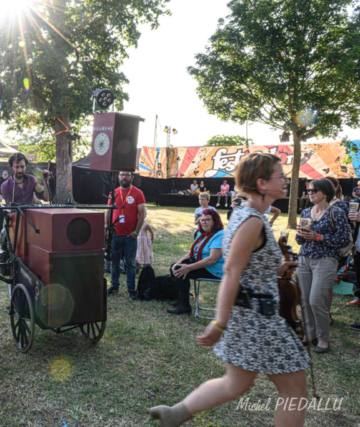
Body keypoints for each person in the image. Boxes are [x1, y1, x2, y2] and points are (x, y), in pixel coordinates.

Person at [149, 153, 309, 427]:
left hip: (250, 315)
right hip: (260, 319)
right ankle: (175, 413)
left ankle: (174, 414)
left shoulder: (251, 214)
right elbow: (232, 270)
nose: (285, 180)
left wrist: (277, 269)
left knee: (235, 384)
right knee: (295, 392)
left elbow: (247, 264)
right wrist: (219, 323)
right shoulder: (252, 221)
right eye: (280, 176)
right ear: (261, 182)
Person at [295, 178, 350, 354]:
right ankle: (309, 334)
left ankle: (323, 338)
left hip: (326, 260)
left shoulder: (337, 212)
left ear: (325, 193)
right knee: (304, 300)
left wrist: (318, 237)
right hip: (304, 259)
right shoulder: (305, 212)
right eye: (309, 190)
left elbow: (342, 239)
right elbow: (299, 240)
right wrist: (300, 234)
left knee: (316, 299)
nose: (309, 193)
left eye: (314, 190)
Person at [167, 209, 225, 315]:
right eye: (202, 220)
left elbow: (212, 259)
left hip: (215, 269)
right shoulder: (202, 233)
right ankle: (181, 298)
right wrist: (178, 262)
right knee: (175, 267)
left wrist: (189, 267)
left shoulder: (220, 234)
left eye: (207, 220)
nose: (204, 222)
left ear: (215, 221)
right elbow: (192, 252)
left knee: (180, 271)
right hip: (204, 264)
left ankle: (184, 306)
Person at [107, 171, 146, 300]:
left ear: (132, 177)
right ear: (118, 177)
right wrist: (107, 228)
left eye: (127, 175)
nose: (124, 177)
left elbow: (142, 214)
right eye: (122, 175)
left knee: (130, 263)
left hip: (130, 236)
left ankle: (131, 289)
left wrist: (136, 232)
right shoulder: (113, 193)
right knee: (114, 262)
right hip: (115, 235)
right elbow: (108, 212)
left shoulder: (137, 193)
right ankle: (114, 286)